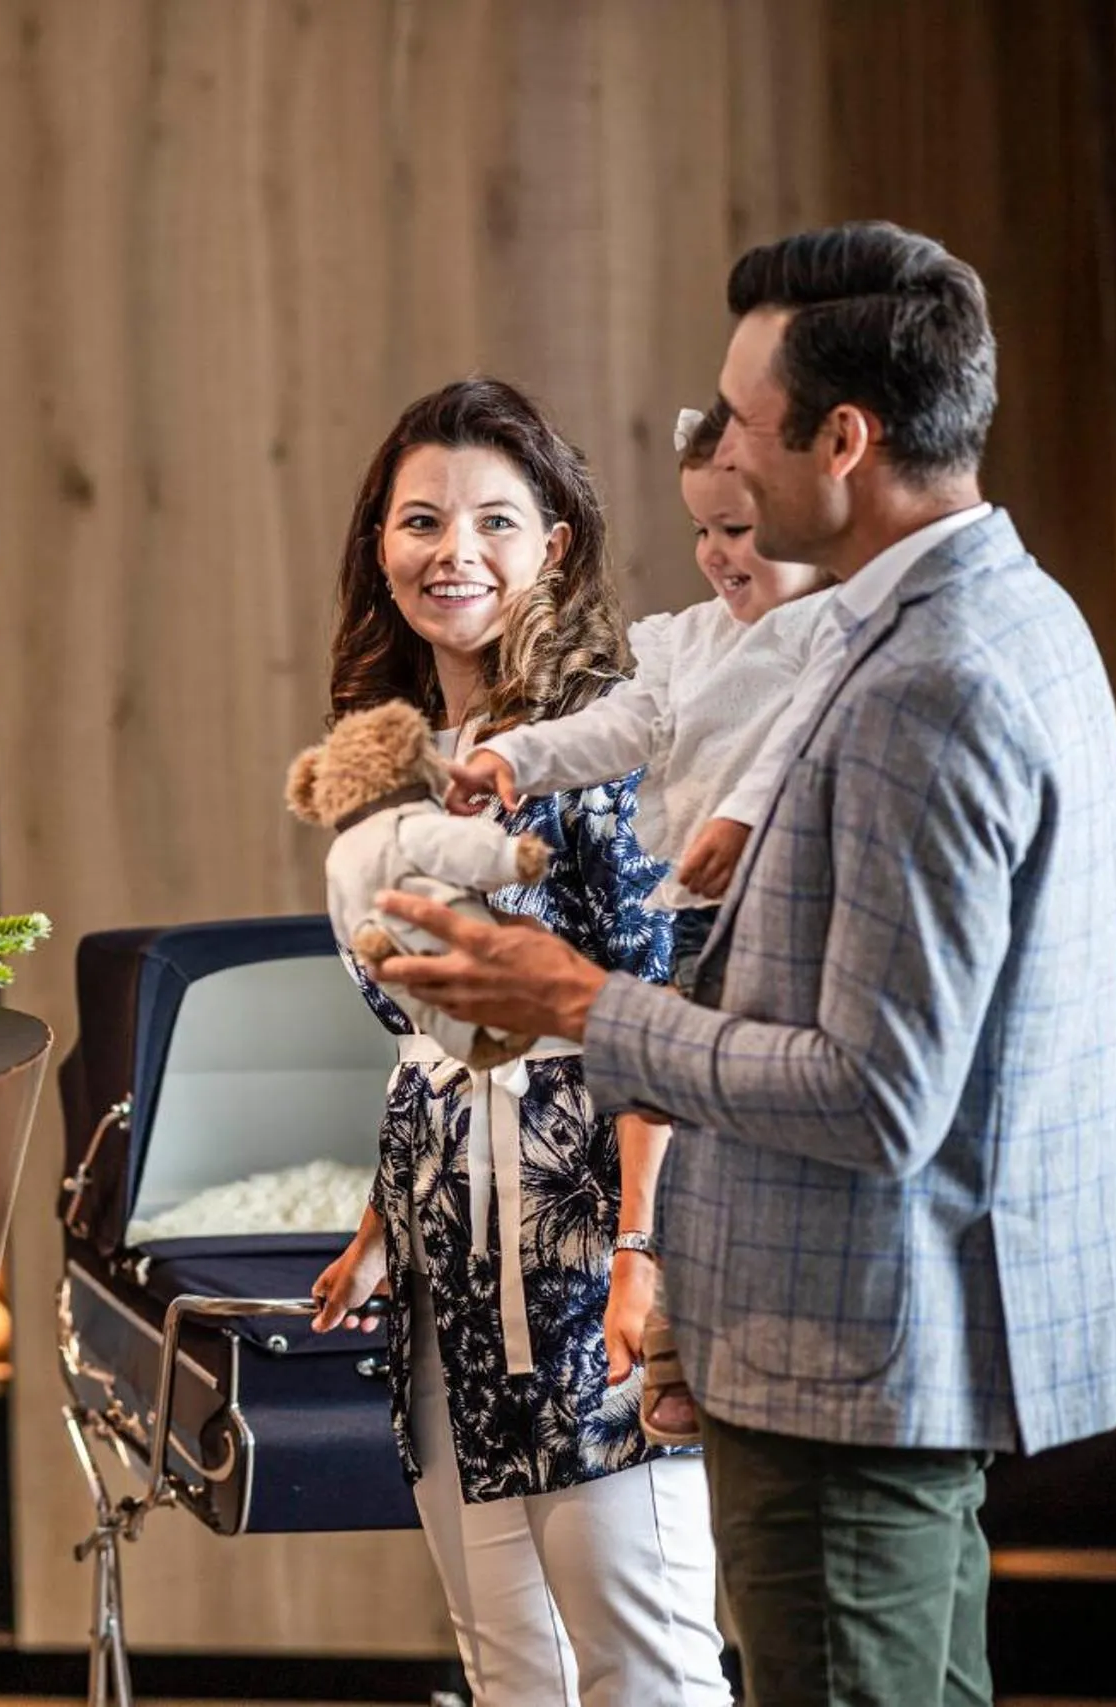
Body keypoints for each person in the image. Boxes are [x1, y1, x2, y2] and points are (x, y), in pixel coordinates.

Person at [374, 223, 1116, 1707]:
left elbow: (875, 1093)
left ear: (843, 441)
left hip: (856, 1349)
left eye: (742, 418)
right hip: (871, 1330)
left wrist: (580, 1003)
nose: (718, 449)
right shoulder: (979, 614)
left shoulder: (930, 677)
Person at [306, 378, 730, 1706]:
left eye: (495, 519)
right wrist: (379, 1228)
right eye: (421, 520)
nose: (456, 551)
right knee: (509, 1674)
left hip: (593, 1261)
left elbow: (658, 1010)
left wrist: (642, 1256)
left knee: (648, 1671)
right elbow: (429, 1039)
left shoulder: (612, 736)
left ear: (556, 543)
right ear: (380, 544)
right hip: (449, 1278)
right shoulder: (397, 760)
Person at [443, 403, 838, 1443]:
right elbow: (620, 726)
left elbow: (801, 740)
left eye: (739, 531)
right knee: (690, 1140)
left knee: (743, 1142)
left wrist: (739, 816)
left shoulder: (836, 630)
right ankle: (680, 1353)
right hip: (695, 925)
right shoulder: (685, 641)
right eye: (702, 530)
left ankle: (712, 1344)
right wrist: (514, 757)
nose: (716, 554)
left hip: (786, 918)